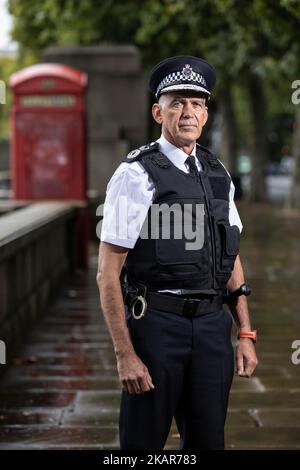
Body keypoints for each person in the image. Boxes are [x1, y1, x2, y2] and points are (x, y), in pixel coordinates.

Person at [96, 55, 258, 450]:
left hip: (211, 329)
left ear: (205, 114)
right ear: (159, 111)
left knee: (207, 442)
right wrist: (124, 355)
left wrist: (246, 332)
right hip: (156, 328)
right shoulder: (135, 174)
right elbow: (107, 272)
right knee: (142, 446)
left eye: (197, 103)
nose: (188, 112)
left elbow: (230, 254)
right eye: (177, 103)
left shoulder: (218, 173)